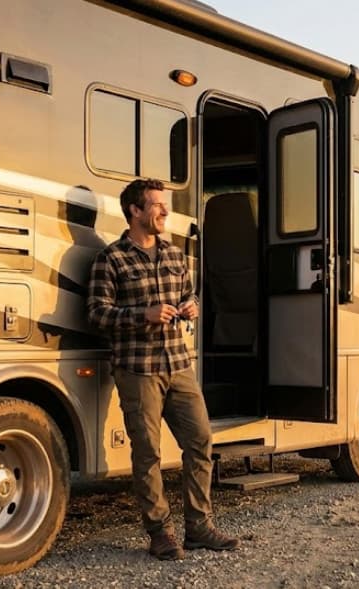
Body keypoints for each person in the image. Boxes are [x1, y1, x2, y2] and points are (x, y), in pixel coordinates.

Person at [87, 178, 239, 560]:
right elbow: (96, 314)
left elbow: (190, 294)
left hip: (178, 364)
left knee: (201, 441)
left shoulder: (174, 255)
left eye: (164, 205)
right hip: (138, 370)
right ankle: (159, 533)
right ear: (135, 211)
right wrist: (144, 315)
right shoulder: (112, 258)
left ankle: (199, 528)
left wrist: (192, 307)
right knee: (148, 454)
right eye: (157, 205)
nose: (165, 212)